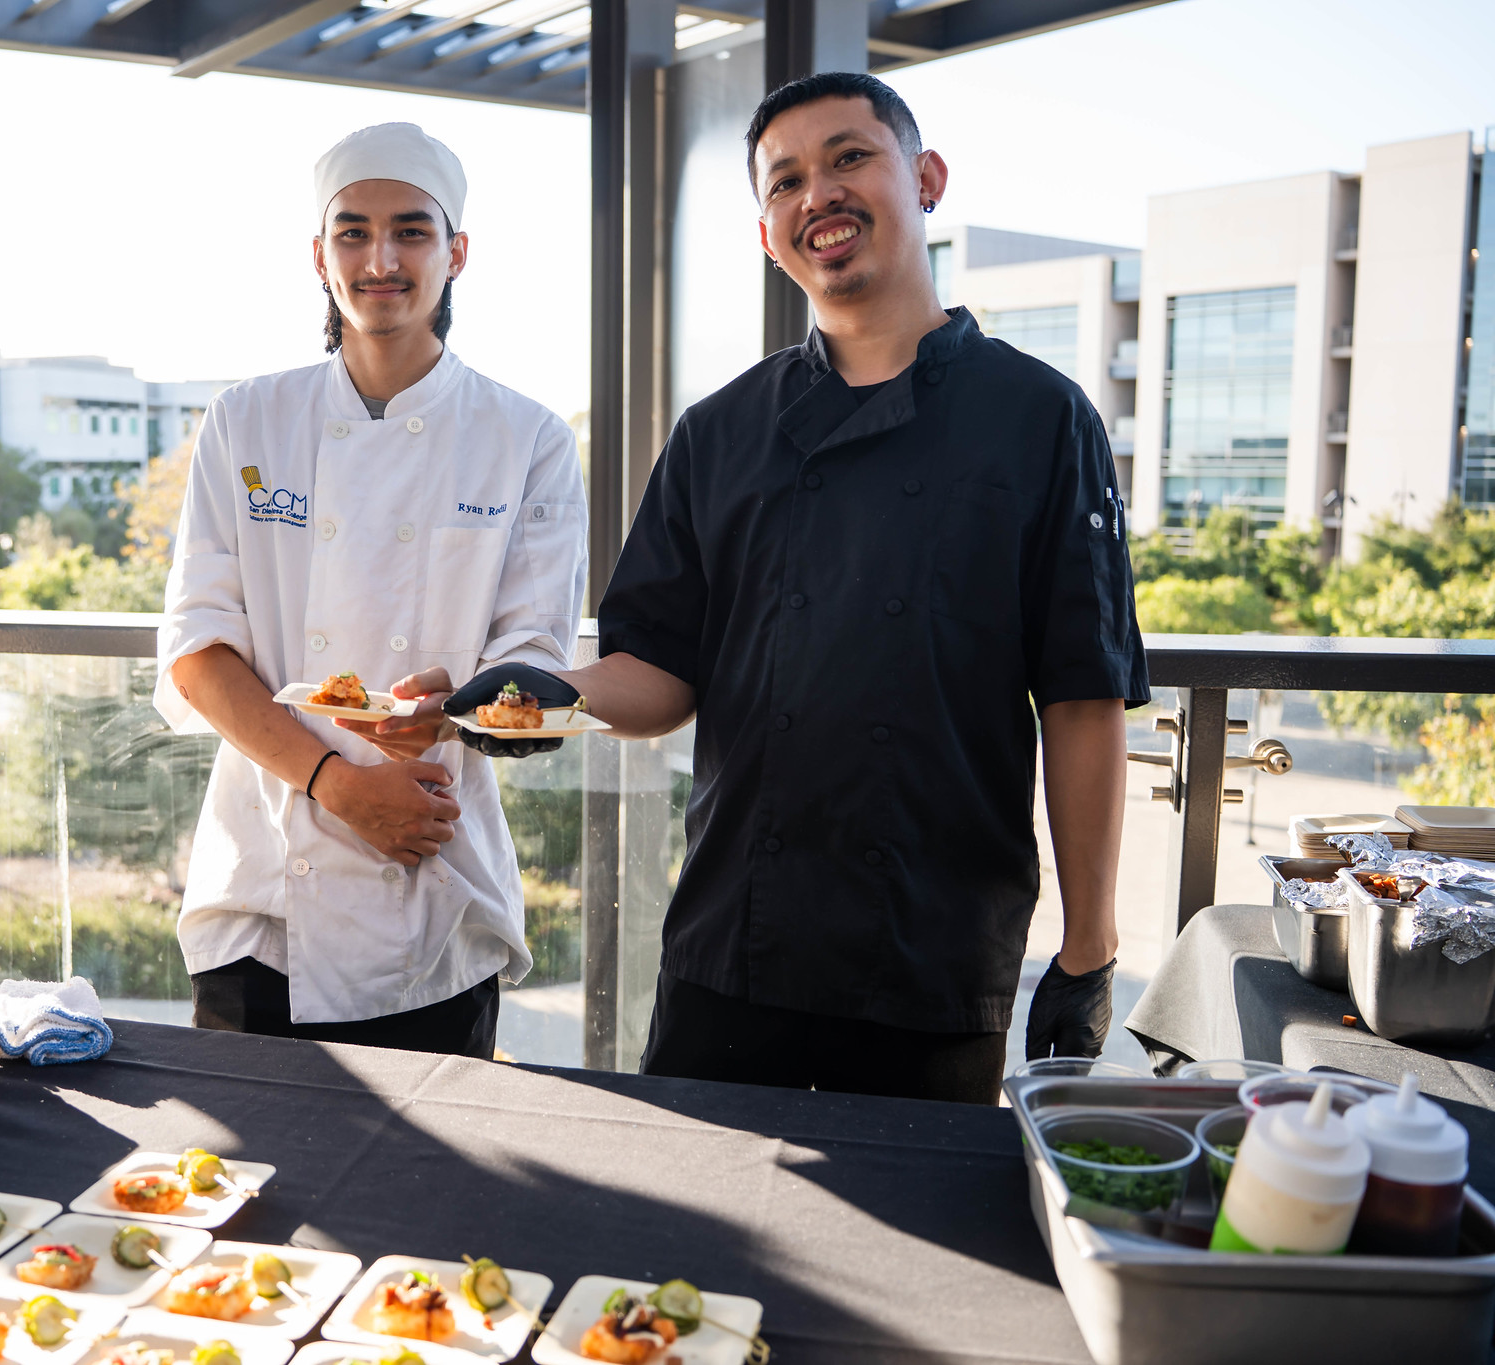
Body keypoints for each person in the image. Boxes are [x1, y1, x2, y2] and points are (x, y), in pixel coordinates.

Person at [448, 73, 1149, 1103]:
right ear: (766, 233)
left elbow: (1083, 699)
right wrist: (542, 694)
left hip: (931, 950)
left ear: (925, 179)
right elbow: (659, 669)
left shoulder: (1040, 419)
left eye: (848, 158)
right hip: (731, 940)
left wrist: (1087, 950)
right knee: (684, 1239)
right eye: (784, 181)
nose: (815, 192)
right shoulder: (719, 431)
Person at [156, 123, 589, 1059]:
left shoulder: (529, 439)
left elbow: (535, 659)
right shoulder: (247, 419)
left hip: (430, 892)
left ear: (456, 252)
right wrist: (339, 784)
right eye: (351, 232)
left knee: (428, 1203)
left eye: (411, 232)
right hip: (262, 897)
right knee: (241, 1192)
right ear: (319, 255)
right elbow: (197, 654)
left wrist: (458, 705)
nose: (379, 259)